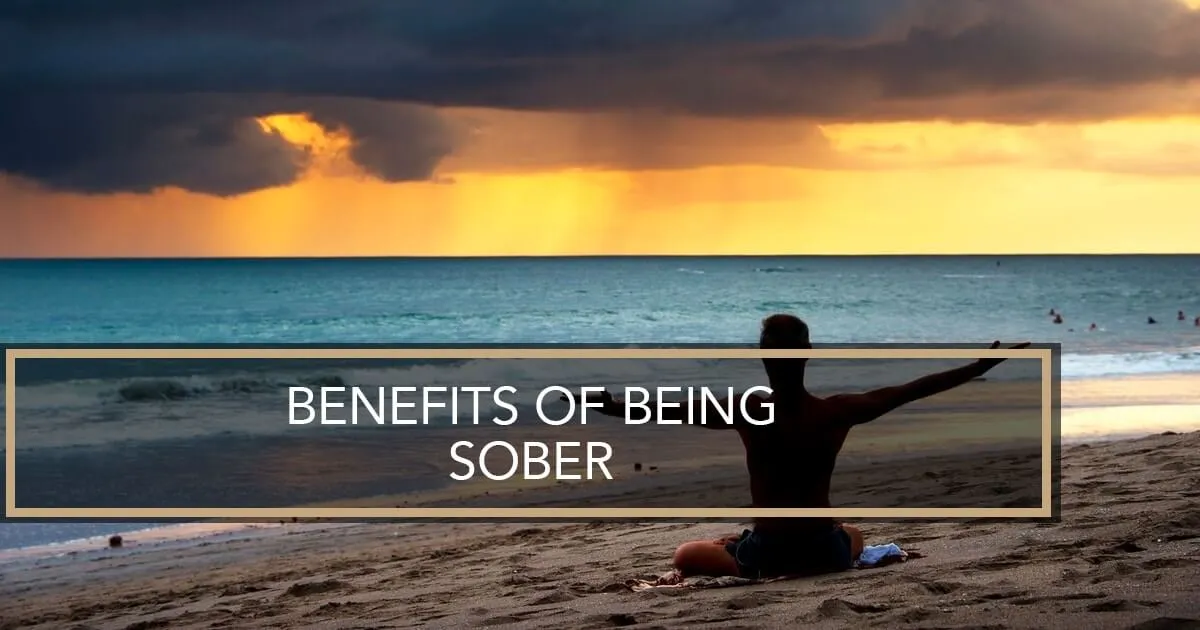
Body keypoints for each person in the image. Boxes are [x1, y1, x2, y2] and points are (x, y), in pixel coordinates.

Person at [570, 314, 1028, 579]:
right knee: (854, 534)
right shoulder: (834, 412)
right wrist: (974, 368)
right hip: (824, 552)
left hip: (767, 554)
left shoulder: (746, 409)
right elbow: (909, 390)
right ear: (808, 351)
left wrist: (606, 405)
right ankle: (759, 542)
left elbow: (664, 409)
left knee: (685, 555)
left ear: (763, 356)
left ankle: (734, 545)